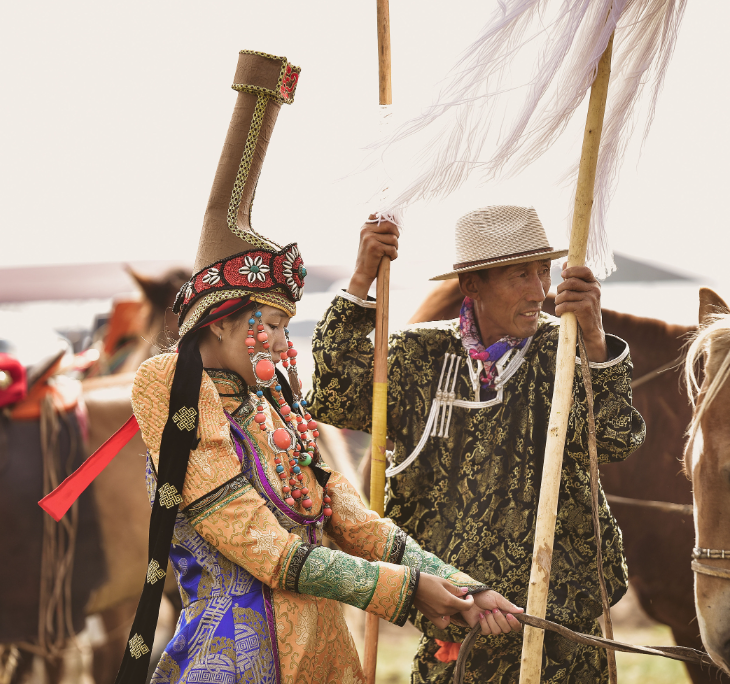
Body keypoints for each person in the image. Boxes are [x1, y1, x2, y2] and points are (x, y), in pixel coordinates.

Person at [114, 52, 522, 684]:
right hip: (231, 663)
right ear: (219, 321)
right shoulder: (170, 387)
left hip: (320, 655)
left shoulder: (270, 406)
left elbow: (350, 519)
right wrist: (409, 591)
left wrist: (459, 586)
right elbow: (268, 550)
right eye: (270, 326)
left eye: (281, 327)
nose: (281, 344)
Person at [309, 205, 646, 682]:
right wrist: (363, 276)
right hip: (454, 627)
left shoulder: (565, 349)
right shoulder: (416, 355)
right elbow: (333, 395)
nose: (539, 290)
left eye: (542, 271)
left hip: (560, 633)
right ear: (472, 285)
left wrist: (593, 339)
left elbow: (616, 440)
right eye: (519, 275)